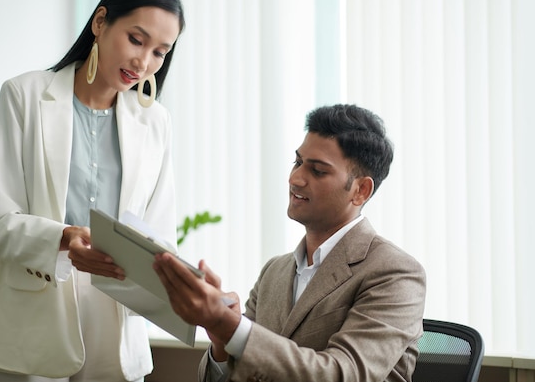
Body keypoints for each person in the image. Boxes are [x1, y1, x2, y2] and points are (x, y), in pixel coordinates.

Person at [0, 0, 185, 382]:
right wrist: (64, 237)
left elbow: (159, 234)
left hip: (117, 321)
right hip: (33, 316)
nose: (144, 62)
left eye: (160, 51)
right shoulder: (24, 96)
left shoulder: (156, 122)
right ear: (100, 22)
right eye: (136, 40)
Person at [153, 104, 427, 382]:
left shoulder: (395, 273)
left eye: (318, 171)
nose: (295, 179)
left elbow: (344, 374)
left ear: (360, 190)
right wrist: (222, 340)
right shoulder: (275, 271)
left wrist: (232, 326)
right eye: (298, 162)